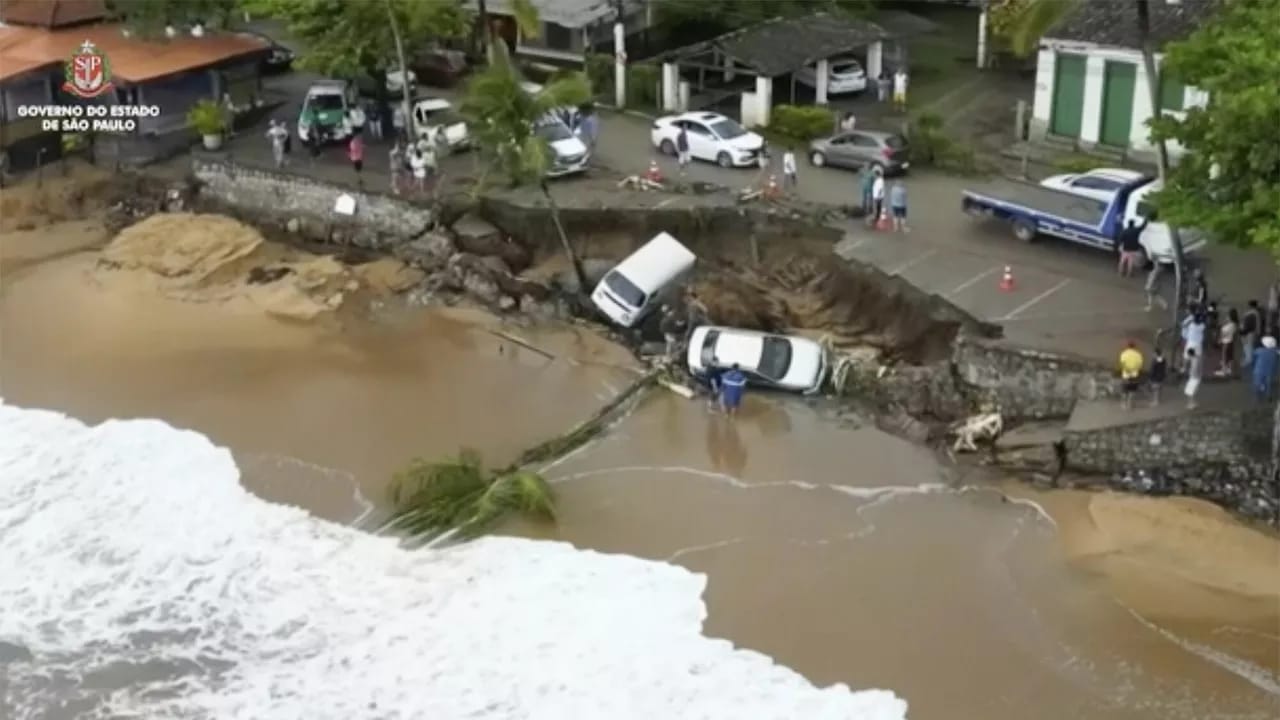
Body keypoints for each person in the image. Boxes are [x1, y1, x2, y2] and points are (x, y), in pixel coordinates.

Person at [1118, 340, 1144, 410]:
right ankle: (1130, 405)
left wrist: (1127, 370)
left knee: (1124, 391)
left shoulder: (1124, 353)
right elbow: (1140, 366)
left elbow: (1122, 364)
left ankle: (1124, 405)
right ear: (1134, 347)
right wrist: (1133, 370)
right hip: (1134, 375)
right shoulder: (1138, 354)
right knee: (1132, 391)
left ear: (1127, 346)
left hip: (1126, 375)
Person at [1252, 336, 1278, 402]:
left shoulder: (1259, 350)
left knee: (1257, 383)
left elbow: (1254, 355)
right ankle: (1268, 396)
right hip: (1269, 370)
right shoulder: (1274, 351)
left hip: (1259, 370)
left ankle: (1257, 397)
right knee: (1268, 384)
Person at [1217, 307, 1239, 377]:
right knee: (1230, 357)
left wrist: (1220, 339)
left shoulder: (1229, 325)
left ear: (1230, 316)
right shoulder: (1235, 324)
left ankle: (1223, 371)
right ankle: (1229, 369)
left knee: (1224, 357)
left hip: (1226, 342)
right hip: (1231, 342)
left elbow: (1224, 333)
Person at [1241, 299, 1262, 368]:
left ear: (1250, 305)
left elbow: (1249, 325)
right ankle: (1250, 360)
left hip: (1249, 333)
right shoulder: (1256, 313)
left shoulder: (1251, 314)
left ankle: (1249, 360)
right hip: (1253, 332)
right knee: (1251, 347)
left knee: (1248, 347)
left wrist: (1243, 332)